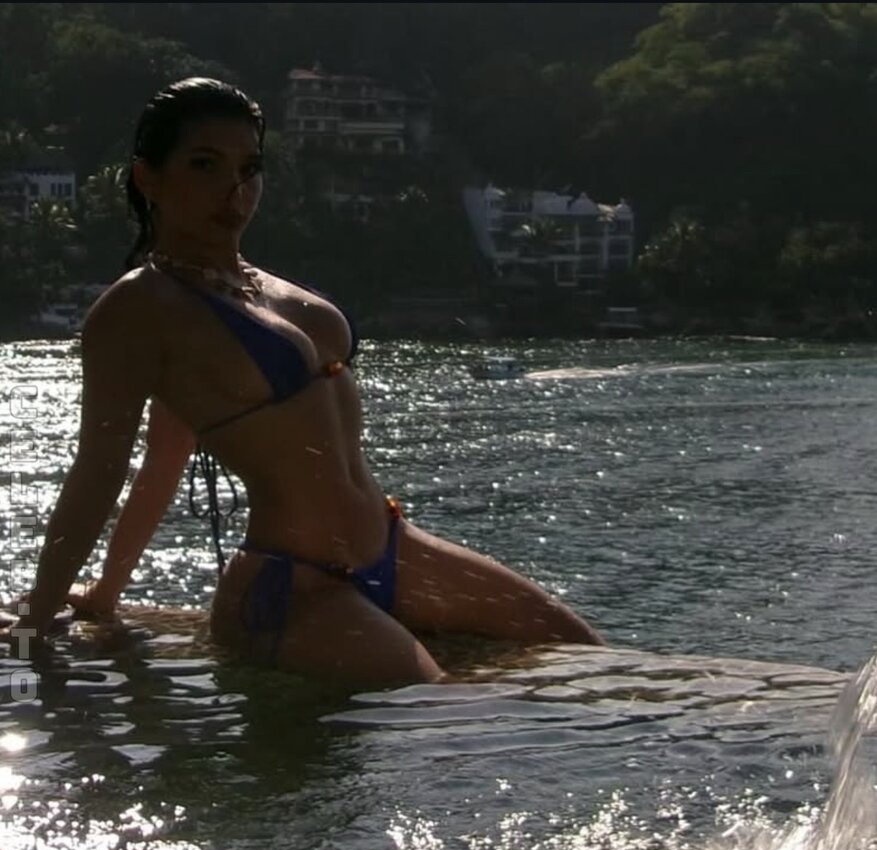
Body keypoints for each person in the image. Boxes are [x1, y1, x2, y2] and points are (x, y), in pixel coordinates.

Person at [15, 77, 605, 688]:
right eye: (205, 165)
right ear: (148, 177)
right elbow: (99, 472)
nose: (234, 189)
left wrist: (107, 592)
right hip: (291, 586)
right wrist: (37, 619)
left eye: (249, 168)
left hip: (395, 550)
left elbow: (167, 458)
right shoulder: (137, 311)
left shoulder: (261, 286)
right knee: (443, 711)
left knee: (587, 661)